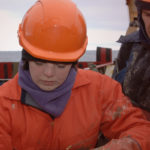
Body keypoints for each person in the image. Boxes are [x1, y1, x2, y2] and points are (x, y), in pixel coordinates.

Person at [0, 0, 150, 149]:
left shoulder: (100, 90)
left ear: (74, 62)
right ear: (25, 60)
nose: (49, 73)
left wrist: (125, 146)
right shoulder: (4, 104)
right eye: (39, 63)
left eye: (60, 65)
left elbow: (140, 130)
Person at [112, 0, 150, 121]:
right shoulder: (130, 45)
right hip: (126, 125)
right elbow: (114, 90)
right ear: (140, 15)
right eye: (148, 15)